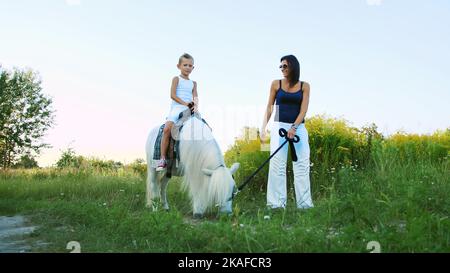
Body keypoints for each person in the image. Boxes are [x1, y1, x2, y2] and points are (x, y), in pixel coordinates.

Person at [260, 55, 314, 209]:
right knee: (277, 165)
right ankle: (276, 205)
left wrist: (294, 127)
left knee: (302, 165)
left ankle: (305, 205)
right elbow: (270, 107)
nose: (282, 69)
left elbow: (303, 110)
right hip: (278, 126)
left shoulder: (305, 86)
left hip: (299, 128)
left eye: (285, 66)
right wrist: (263, 127)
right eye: (281, 66)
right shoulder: (276, 84)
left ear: (293, 67)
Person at [156, 53, 198, 171]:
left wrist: (195, 106)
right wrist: (185, 104)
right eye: (185, 65)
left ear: (193, 68)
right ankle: (162, 159)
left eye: (190, 66)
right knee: (167, 129)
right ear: (178, 66)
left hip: (189, 109)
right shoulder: (176, 79)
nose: (188, 67)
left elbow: (195, 97)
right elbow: (172, 95)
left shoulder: (193, 83)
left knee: (206, 129)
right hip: (177, 108)